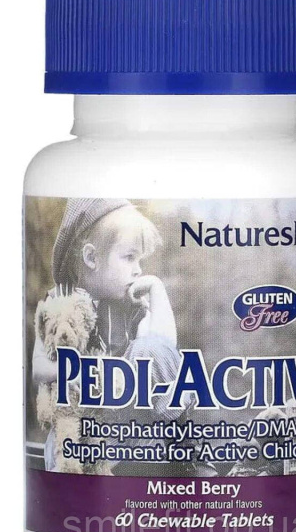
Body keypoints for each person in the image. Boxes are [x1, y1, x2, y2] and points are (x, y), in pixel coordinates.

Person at [32, 198, 211, 475]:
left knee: (149, 350)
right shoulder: (57, 302)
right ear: (91, 258)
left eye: (139, 260)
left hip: (128, 431)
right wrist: (69, 371)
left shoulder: (128, 305)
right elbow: (38, 368)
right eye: (129, 257)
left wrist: (157, 289)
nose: (138, 269)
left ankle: (186, 452)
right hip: (77, 435)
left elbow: (164, 348)